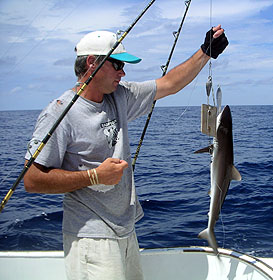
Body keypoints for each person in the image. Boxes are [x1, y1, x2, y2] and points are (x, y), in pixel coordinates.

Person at [24, 25, 228, 280]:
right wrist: (94, 176)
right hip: (91, 237)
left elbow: (169, 84)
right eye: (117, 65)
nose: (123, 72)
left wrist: (205, 52)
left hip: (126, 229)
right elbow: (32, 180)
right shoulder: (59, 113)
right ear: (91, 63)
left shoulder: (119, 96)